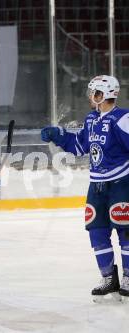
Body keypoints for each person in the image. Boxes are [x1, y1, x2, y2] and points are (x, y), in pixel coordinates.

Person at [41, 75, 129, 302]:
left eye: (93, 93)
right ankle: (109, 278)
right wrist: (59, 135)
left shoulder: (122, 118)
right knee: (96, 231)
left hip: (121, 183)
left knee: (125, 230)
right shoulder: (92, 119)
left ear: (102, 95)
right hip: (97, 185)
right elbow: (80, 146)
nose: (90, 97)